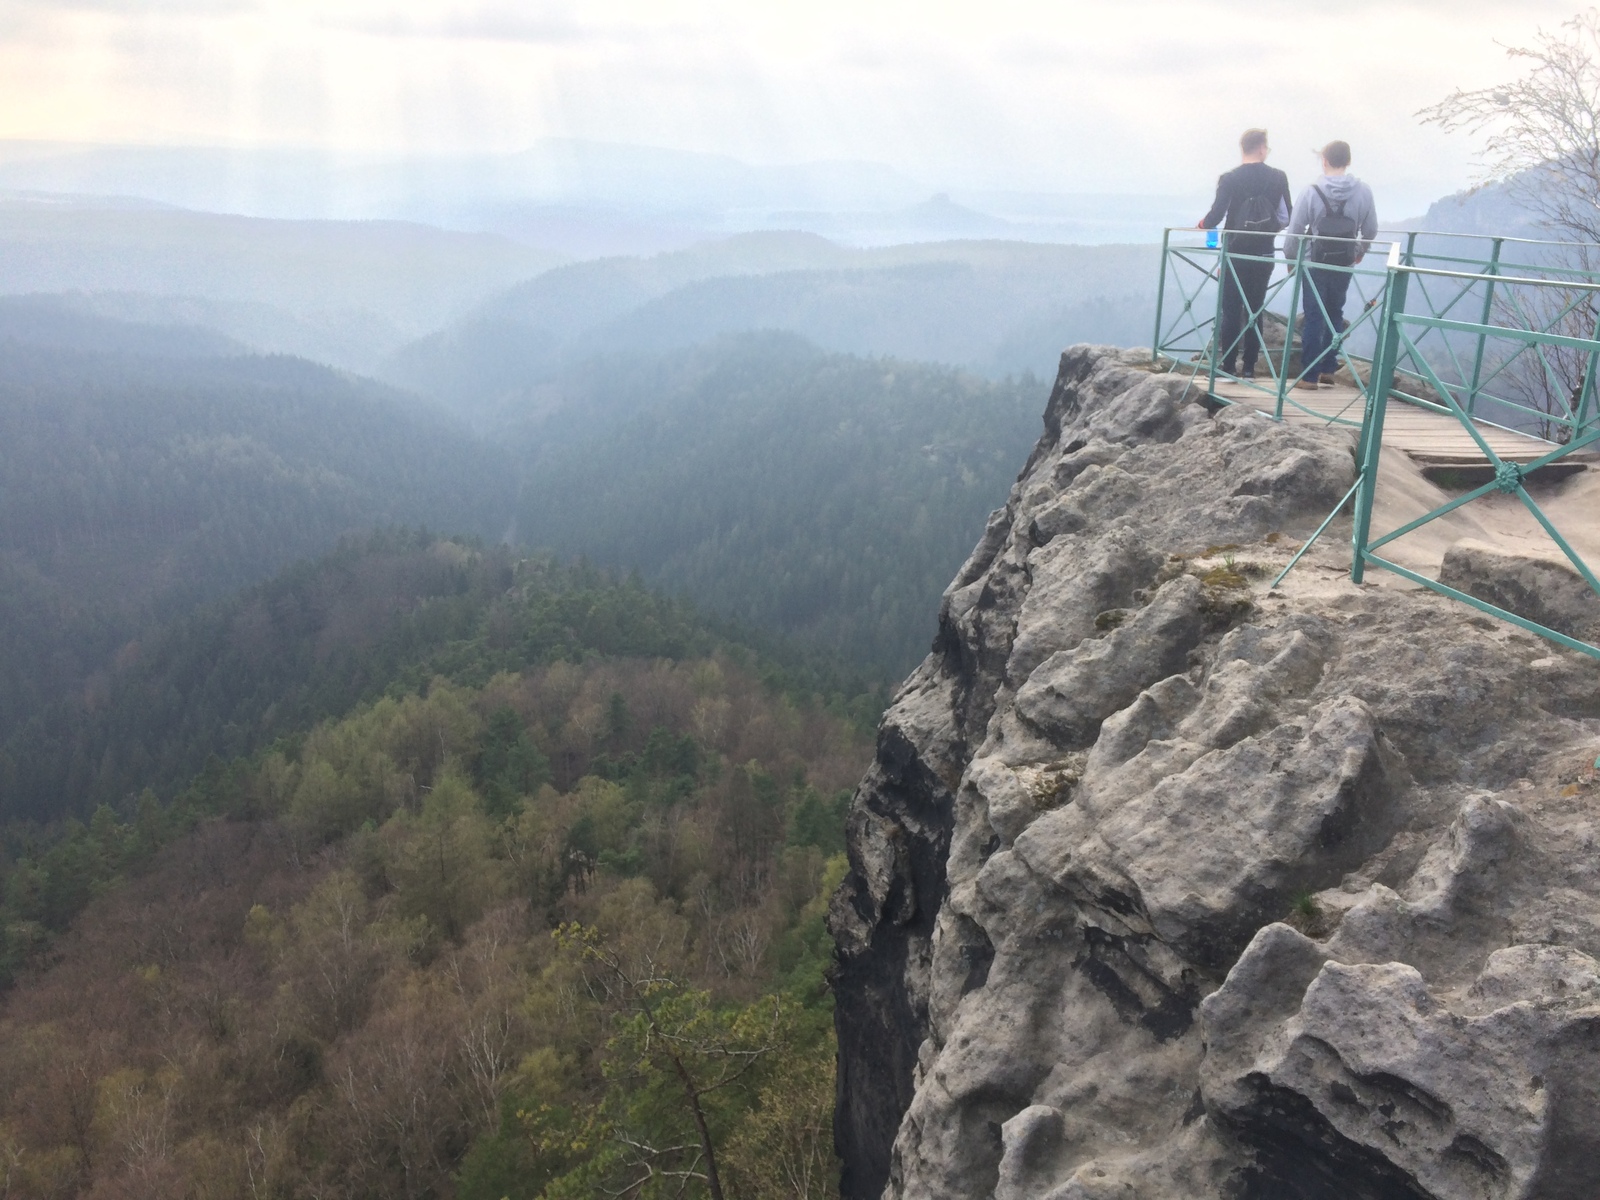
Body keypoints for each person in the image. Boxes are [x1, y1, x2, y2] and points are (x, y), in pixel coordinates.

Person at [1283, 140, 1378, 389]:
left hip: (1315, 262)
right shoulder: (1364, 192)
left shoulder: (1311, 191)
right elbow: (1370, 230)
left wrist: (1291, 260)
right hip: (1344, 264)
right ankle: (1328, 368)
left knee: (1314, 315)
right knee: (1335, 312)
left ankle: (1309, 376)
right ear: (1348, 161)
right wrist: (1359, 251)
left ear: (1324, 160)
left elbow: (1294, 230)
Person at [1199, 128, 1292, 379]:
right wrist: (1267, 228)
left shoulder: (1229, 179)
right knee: (1255, 308)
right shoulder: (1278, 177)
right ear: (1262, 148)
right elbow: (1286, 216)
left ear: (1243, 148)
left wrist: (1203, 224)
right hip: (1263, 252)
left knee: (1230, 309)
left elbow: (1217, 215)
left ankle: (1228, 365)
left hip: (1234, 252)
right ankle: (1249, 366)